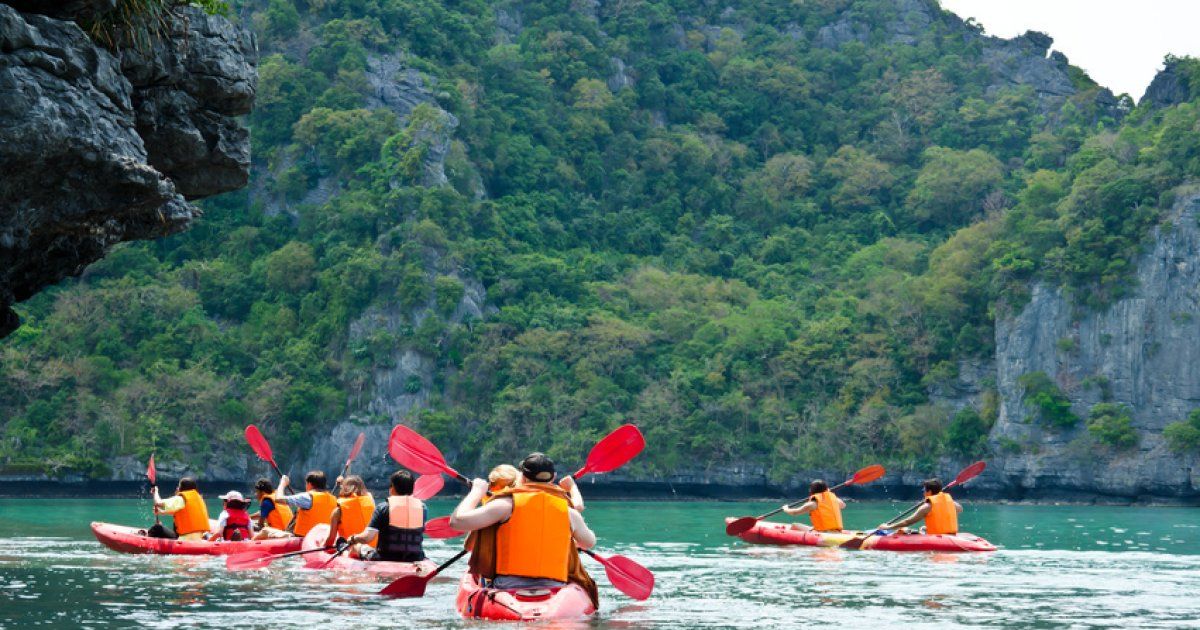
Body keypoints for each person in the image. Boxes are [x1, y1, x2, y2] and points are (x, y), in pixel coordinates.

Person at [450, 452, 597, 604]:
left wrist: (476, 492)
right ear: (553, 478)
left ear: (522, 477)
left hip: (507, 587)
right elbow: (589, 543)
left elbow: (456, 522)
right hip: (554, 588)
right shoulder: (569, 512)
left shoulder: (505, 505)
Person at [343, 470, 427, 562]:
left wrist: (353, 538)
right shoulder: (423, 508)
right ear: (412, 489)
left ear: (392, 488)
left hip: (386, 557)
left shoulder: (383, 508)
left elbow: (367, 538)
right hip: (415, 558)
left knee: (356, 547)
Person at [880, 478, 963, 534]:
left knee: (904, 531)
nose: (923, 493)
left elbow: (908, 521)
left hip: (937, 538)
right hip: (951, 536)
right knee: (922, 529)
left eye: (924, 490)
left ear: (929, 491)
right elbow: (959, 509)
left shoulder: (926, 507)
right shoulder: (952, 503)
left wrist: (888, 527)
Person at [322, 475, 375, 554]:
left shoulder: (337, 511)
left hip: (351, 551)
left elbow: (331, 539)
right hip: (373, 549)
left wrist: (323, 547)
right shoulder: (371, 502)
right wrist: (342, 483)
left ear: (343, 489)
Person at [275, 470, 337, 538]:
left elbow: (278, 499)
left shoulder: (307, 497)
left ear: (309, 484)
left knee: (265, 531)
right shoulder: (334, 500)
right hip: (322, 539)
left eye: (306, 484)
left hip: (303, 539)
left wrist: (282, 484)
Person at [152, 477, 210, 541]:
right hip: (198, 538)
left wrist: (155, 492)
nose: (177, 488)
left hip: (185, 539)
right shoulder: (198, 498)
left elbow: (158, 502)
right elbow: (183, 513)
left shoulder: (182, 498)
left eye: (179, 486)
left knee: (157, 528)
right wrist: (162, 512)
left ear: (183, 488)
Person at [781, 480, 845, 532]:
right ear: (826, 489)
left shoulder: (812, 504)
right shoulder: (834, 500)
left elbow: (795, 512)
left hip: (822, 532)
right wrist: (828, 494)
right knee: (812, 528)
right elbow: (843, 505)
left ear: (812, 491)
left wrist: (786, 509)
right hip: (837, 531)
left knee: (794, 525)